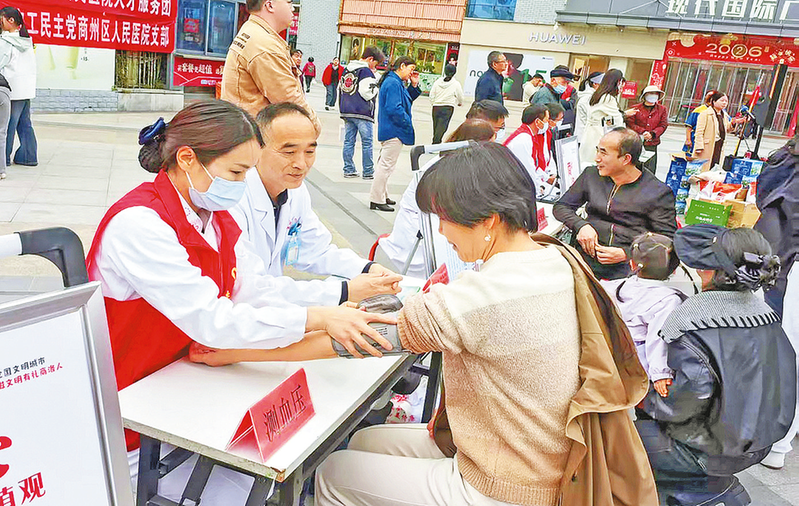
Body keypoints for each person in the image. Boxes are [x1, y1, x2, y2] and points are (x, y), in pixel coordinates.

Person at [191, 143, 658, 506]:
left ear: (488, 221)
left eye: (445, 220)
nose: (441, 233)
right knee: (365, 439)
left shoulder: (481, 296)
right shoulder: (553, 257)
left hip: (508, 483)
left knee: (334, 473)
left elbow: (352, 339)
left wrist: (234, 352)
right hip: (539, 452)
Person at [86, 101, 398, 456]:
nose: (242, 184)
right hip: (132, 400)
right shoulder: (139, 224)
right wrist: (320, 315)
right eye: (236, 172)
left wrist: (334, 306)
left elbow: (255, 289)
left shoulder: (215, 217)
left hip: (189, 377)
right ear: (187, 159)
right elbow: (212, 320)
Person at [637, 224, 796, 506]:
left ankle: (702, 489)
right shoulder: (765, 314)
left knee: (612, 433)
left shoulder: (695, 320)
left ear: (712, 271)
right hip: (761, 442)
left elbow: (683, 404)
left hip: (711, 452)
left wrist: (640, 397)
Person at [231, 102, 401, 305]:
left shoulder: (295, 191)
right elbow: (248, 287)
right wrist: (344, 292)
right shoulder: (235, 200)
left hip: (272, 308)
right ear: (256, 149)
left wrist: (369, 269)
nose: (301, 164)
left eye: (309, 152)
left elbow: (316, 250)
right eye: (289, 152)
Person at [553, 127, 677, 280]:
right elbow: (561, 206)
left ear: (625, 159)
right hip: (584, 259)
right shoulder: (591, 175)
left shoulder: (657, 192)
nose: (597, 158)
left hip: (627, 269)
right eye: (597, 150)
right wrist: (581, 225)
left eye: (603, 153)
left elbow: (668, 240)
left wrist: (628, 253)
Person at [378, 119, 496, 278]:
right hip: (421, 228)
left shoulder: (461, 162)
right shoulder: (448, 167)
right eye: (490, 145)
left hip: (437, 219)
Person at [753, 135, 799, 469]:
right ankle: (779, 439)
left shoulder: (782, 162)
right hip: (787, 264)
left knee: (787, 351)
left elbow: (766, 201)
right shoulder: (785, 164)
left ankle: (777, 438)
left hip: (783, 264)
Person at [600, 233, 685, 395]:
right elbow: (658, 338)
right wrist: (661, 374)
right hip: (637, 364)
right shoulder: (668, 300)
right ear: (674, 270)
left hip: (605, 356)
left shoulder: (612, 286)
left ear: (632, 264)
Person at [221, 0, 320, 132]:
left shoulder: (253, 30)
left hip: (244, 131)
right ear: (270, 5)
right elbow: (291, 104)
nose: (293, 9)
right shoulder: (265, 45)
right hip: (256, 137)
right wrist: (314, 126)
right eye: (289, 2)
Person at [369, 56, 421, 212]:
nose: (411, 73)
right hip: (394, 129)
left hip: (390, 128)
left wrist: (414, 85)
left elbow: (405, 100)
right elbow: (394, 108)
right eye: (411, 69)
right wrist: (406, 121)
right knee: (386, 165)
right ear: (402, 66)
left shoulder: (394, 81)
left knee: (385, 164)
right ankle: (376, 198)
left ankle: (382, 195)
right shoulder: (393, 82)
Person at [339, 46, 385, 179]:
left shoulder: (347, 69)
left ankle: (348, 169)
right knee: (367, 143)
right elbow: (366, 92)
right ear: (370, 59)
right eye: (375, 63)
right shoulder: (365, 71)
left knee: (349, 141)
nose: (374, 66)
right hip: (362, 112)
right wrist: (376, 88)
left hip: (347, 110)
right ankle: (368, 171)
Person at [0, 7, 36, 169]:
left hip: (11, 89)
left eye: (1, 20)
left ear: (11, 20)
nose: (0, 23)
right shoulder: (26, 40)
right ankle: (29, 156)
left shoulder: (6, 41)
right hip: (26, 89)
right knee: (25, 123)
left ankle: (4, 158)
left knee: (7, 125)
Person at [504, 104, 557, 199]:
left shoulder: (530, 136)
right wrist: (538, 189)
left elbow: (534, 166)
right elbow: (528, 170)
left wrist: (546, 178)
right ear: (537, 122)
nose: (548, 123)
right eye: (546, 120)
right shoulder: (523, 139)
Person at [577, 69, 624, 170]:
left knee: (586, 165)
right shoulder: (608, 98)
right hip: (597, 135)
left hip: (589, 134)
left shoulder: (597, 95)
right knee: (596, 166)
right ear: (617, 82)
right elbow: (618, 121)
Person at [693, 91, 745, 171]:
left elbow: (726, 129)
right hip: (707, 146)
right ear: (714, 101)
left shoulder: (724, 115)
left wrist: (734, 123)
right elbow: (699, 132)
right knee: (703, 169)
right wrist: (699, 147)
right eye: (722, 100)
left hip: (719, 145)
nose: (724, 103)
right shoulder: (705, 114)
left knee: (715, 167)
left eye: (726, 101)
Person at [624, 85, 668, 174]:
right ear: (644, 95)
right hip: (637, 142)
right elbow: (630, 123)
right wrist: (642, 132)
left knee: (650, 170)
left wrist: (652, 134)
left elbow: (663, 125)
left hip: (652, 143)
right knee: (634, 169)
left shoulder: (662, 109)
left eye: (655, 93)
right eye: (651, 93)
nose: (653, 95)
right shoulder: (635, 108)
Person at [429, 64, 464, 144]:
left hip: (436, 107)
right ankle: (436, 142)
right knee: (442, 127)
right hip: (448, 107)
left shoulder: (437, 82)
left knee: (436, 126)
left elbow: (432, 94)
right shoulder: (455, 84)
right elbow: (460, 96)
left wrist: (433, 102)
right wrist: (460, 103)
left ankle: (436, 141)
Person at [683, 91, 714, 155]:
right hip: (695, 139)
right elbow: (689, 126)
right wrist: (688, 139)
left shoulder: (719, 112)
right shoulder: (699, 110)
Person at [574, 71, 603, 141]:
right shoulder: (587, 98)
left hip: (588, 137)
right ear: (595, 84)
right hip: (584, 138)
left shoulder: (592, 97)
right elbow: (593, 118)